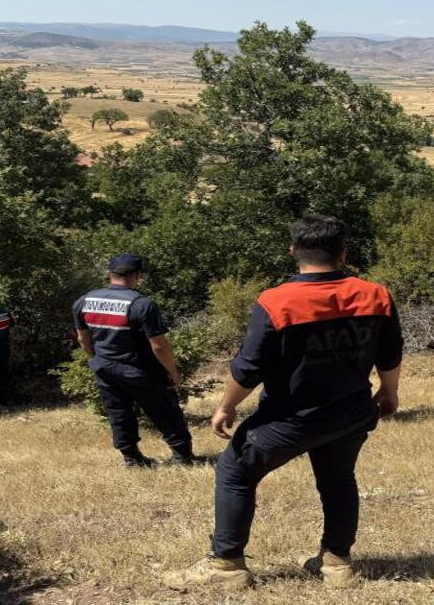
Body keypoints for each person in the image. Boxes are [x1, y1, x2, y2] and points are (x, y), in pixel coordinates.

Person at [163, 214, 403, 592]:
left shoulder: (277, 301)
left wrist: (226, 406)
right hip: (350, 412)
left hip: (292, 419)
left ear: (293, 252)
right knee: (338, 479)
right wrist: (389, 393)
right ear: (343, 254)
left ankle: (226, 565)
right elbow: (390, 353)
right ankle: (337, 562)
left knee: (235, 472)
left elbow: (249, 366)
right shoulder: (376, 294)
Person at [72, 253, 196, 467]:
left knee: (118, 412)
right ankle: (182, 457)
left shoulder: (84, 301)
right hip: (140, 370)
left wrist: (96, 359)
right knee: (164, 410)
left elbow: (83, 339)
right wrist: (172, 371)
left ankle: (131, 457)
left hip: (104, 368)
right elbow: (158, 345)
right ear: (138, 275)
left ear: (109, 273)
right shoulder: (142, 304)